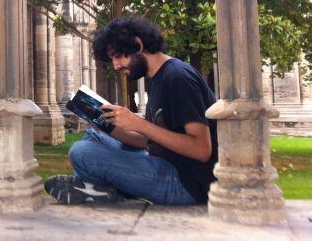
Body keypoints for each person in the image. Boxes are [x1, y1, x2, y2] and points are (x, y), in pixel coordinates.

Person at [44, 17, 218, 205]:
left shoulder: (177, 78)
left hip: (187, 184)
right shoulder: (157, 77)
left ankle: (98, 189)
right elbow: (150, 141)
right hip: (164, 162)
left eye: (118, 57)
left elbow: (202, 150)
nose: (116, 66)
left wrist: (138, 123)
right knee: (95, 136)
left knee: (81, 151)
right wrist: (106, 124)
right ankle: (100, 190)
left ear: (138, 45)